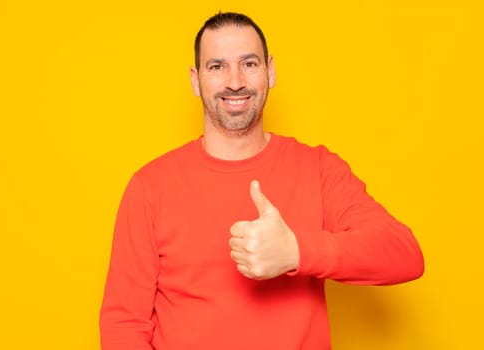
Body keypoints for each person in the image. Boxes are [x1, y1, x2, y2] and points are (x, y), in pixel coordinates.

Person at [99, 12, 424, 350]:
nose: (235, 81)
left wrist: (296, 251)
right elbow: (123, 324)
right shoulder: (150, 186)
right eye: (217, 66)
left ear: (270, 71)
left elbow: (403, 255)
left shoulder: (318, 169)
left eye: (249, 64)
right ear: (196, 81)